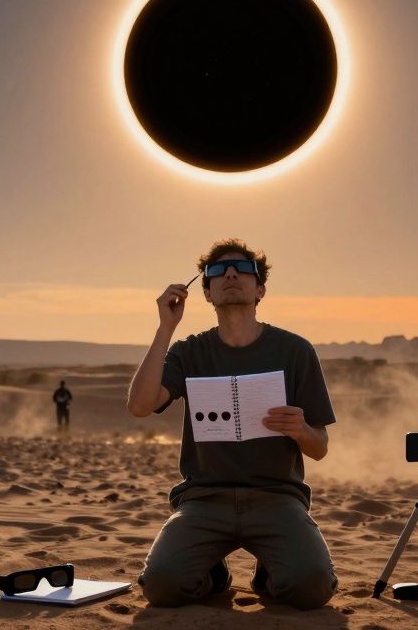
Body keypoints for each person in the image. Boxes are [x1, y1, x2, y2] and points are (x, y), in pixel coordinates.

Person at [127, 240, 338, 610]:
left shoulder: (295, 351)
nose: (229, 274)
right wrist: (165, 328)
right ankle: (213, 573)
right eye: (217, 271)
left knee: (311, 588)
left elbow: (319, 448)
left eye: (242, 269)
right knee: (162, 587)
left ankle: (268, 573)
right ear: (207, 292)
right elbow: (140, 406)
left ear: (260, 290)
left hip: (277, 498)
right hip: (204, 499)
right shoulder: (188, 351)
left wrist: (301, 430)